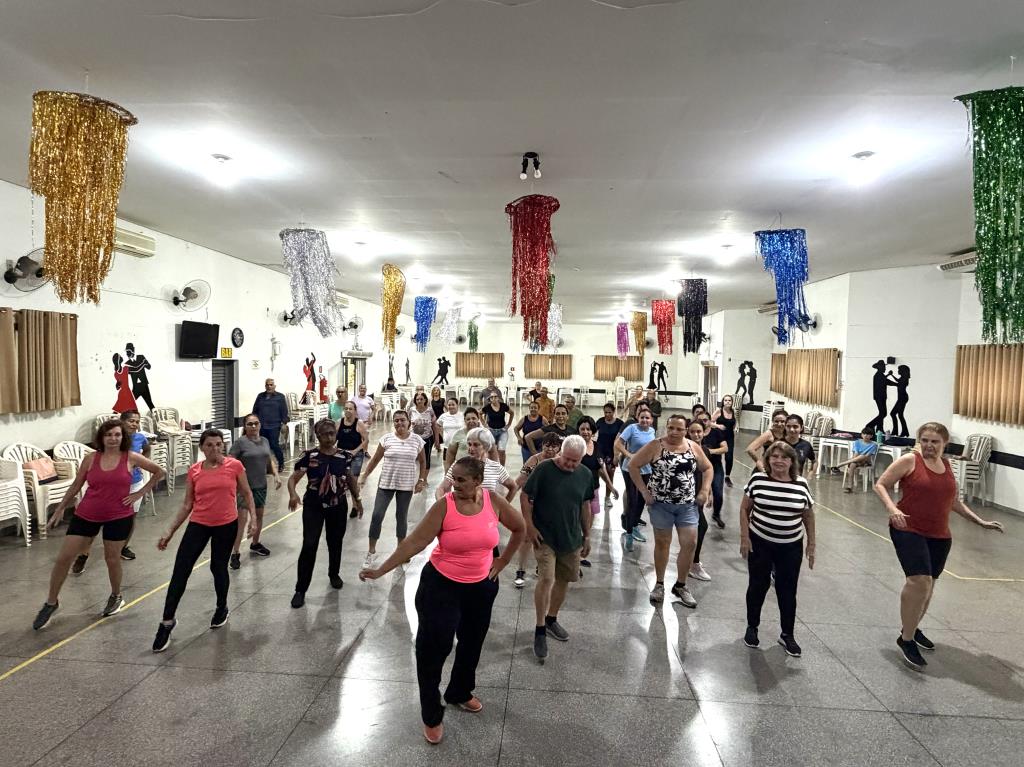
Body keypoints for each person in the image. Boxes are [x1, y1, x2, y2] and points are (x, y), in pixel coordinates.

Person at [359, 457, 524, 744]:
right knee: (433, 650)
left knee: (472, 644)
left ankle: (459, 691)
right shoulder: (444, 505)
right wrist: (381, 570)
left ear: (477, 480)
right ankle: (431, 714)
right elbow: (414, 542)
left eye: (461, 480)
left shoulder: (493, 500)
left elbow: (520, 527)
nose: (454, 485)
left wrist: (504, 560)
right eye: (453, 478)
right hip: (441, 588)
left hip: (481, 588)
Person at [874, 422, 1003, 670]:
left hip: (940, 534)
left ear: (945, 444)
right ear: (919, 441)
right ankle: (907, 639)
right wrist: (892, 509)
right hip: (908, 528)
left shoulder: (947, 466)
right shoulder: (910, 461)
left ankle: (910, 627)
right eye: (925, 440)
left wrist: (979, 521)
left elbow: (952, 501)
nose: (929, 446)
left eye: (935, 441)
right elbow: (881, 484)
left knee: (929, 585)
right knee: (919, 580)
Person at [33, 421, 164, 630]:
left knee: (111, 559)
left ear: (123, 437)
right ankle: (51, 602)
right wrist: (59, 509)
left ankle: (116, 595)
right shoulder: (90, 459)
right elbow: (76, 485)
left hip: (118, 515)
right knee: (64, 558)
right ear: (101, 438)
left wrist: (139, 493)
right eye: (109, 435)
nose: (113, 439)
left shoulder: (130, 457)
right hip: (87, 513)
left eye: (117, 435)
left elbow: (159, 472)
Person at [151, 429, 255, 652]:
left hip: (226, 525)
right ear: (202, 448)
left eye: (219, 444)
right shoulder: (195, 471)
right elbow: (187, 504)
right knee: (180, 570)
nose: (215, 449)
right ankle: (167, 621)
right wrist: (169, 531)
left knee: (218, 568)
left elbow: (246, 493)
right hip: (199, 523)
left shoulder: (234, 466)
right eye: (210, 445)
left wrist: (253, 520)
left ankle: (221, 607)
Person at [521, 435, 594, 663]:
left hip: (571, 538)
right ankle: (540, 628)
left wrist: (587, 535)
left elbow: (585, 505)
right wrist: (530, 527)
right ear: (561, 452)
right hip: (545, 536)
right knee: (547, 579)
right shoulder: (543, 469)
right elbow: (525, 496)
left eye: (575, 461)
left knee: (564, 580)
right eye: (567, 459)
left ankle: (552, 619)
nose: (570, 465)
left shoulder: (585, 474)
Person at [740, 441, 815, 657]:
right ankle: (752, 627)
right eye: (774, 456)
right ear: (767, 459)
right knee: (758, 585)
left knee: (787, 590)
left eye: (784, 457)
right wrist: (745, 538)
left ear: (792, 461)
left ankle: (787, 634)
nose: (778, 461)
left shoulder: (801, 484)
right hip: (760, 542)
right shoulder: (758, 479)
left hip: (790, 546)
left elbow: (808, 515)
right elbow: (745, 509)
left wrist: (811, 544)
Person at [630, 414, 712, 606]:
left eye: (679, 429)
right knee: (663, 543)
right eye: (671, 428)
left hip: (687, 505)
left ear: (686, 430)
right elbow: (634, 465)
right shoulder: (655, 446)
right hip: (660, 505)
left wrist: (705, 490)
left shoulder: (693, 447)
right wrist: (644, 492)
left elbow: (707, 468)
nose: (674, 432)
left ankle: (681, 585)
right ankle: (659, 584)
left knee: (690, 542)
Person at [288, 419, 363, 607]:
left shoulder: (344, 456)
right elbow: (293, 478)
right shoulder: (309, 456)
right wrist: (292, 494)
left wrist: (357, 500)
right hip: (314, 506)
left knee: (335, 541)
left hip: (338, 506)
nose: (329, 437)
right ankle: (300, 589)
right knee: (309, 544)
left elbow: (350, 478)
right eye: (325, 434)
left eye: (332, 433)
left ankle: (334, 573)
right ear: (318, 436)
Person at [360, 410, 427, 567]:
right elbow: (375, 460)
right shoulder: (386, 439)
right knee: (377, 516)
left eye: (402, 420)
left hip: (405, 485)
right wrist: (364, 475)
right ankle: (371, 552)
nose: (399, 423)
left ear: (408, 421)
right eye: (396, 421)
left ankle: (401, 550)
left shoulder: (417, 440)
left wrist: (421, 480)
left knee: (401, 517)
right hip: (386, 484)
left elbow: (423, 462)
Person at [228, 413, 281, 568]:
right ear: (245, 426)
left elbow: (269, 459)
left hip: (261, 485)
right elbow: (230, 461)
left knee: (258, 516)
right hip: (244, 488)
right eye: (250, 424)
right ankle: (235, 552)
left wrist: (276, 475)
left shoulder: (264, 441)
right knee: (242, 521)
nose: (253, 426)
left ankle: (255, 543)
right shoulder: (240, 443)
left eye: (256, 423)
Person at [512, 433, 562, 587]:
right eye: (547, 445)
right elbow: (519, 481)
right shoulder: (534, 460)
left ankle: (541, 567)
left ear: (559, 448)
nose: (550, 449)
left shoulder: (561, 462)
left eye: (554, 446)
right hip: (532, 505)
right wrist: (507, 499)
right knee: (527, 537)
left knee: (548, 538)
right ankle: (521, 570)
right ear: (542, 445)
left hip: (552, 507)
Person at [576, 417, 616, 567]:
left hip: (593, 489)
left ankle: (580, 553)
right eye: (582, 429)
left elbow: (601, 468)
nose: (585, 432)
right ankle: (573, 555)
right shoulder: (575, 446)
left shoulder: (597, 446)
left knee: (587, 524)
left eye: (588, 429)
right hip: (577, 491)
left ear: (593, 431)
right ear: (578, 430)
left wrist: (611, 486)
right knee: (575, 522)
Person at [435, 428, 516, 501]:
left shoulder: (495, 467)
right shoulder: (459, 465)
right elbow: (441, 489)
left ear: (485, 446)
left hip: (487, 514)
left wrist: (503, 508)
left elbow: (513, 487)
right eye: (469, 444)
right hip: (463, 511)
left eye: (476, 445)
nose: (471, 448)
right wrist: (443, 507)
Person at [615, 407, 656, 550]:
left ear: (651, 420)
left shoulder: (652, 431)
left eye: (647, 418)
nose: (644, 420)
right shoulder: (632, 428)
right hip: (630, 468)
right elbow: (618, 443)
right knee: (633, 498)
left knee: (643, 499)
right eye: (642, 417)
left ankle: (633, 524)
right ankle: (629, 533)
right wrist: (628, 454)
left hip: (646, 469)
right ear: (638, 418)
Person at [117, 409, 150, 562]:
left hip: (135, 483)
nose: (135, 424)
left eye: (137, 422)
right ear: (122, 421)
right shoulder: (114, 438)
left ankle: (124, 546)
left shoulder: (140, 438)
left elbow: (147, 449)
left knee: (131, 516)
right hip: (116, 485)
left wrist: (143, 461)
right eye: (131, 421)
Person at [697, 410, 728, 541]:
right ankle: (698, 516)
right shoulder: (696, 433)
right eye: (701, 420)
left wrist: (709, 451)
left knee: (718, 493)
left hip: (715, 467)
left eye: (705, 420)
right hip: (699, 468)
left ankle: (716, 514)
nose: (703, 423)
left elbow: (725, 448)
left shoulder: (717, 433)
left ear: (710, 421)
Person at [337, 400, 370, 517]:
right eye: (346, 408)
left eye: (350, 409)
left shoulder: (359, 423)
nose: (348, 411)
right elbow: (334, 440)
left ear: (355, 411)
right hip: (342, 455)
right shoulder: (339, 423)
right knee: (340, 481)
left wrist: (356, 451)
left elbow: (366, 440)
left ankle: (355, 506)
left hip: (356, 455)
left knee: (353, 481)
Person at [252, 378, 289, 472]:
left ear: (274, 386)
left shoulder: (280, 397)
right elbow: (255, 410)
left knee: (274, 445)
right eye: (267, 385)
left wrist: (284, 424)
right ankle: (265, 466)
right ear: (265, 386)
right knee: (262, 446)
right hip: (262, 426)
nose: (269, 386)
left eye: (271, 385)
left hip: (274, 425)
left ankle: (281, 463)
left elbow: (284, 412)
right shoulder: (260, 396)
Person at [595, 403, 624, 510]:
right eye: (605, 412)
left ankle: (607, 497)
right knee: (598, 471)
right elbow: (592, 432)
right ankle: (594, 495)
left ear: (614, 411)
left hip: (612, 452)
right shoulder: (600, 421)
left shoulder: (620, 423)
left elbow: (622, 440)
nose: (607, 414)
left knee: (610, 474)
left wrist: (618, 455)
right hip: (600, 450)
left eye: (609, 412)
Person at [836, 427, 879, 493]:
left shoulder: (873, 445)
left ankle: (842, 463)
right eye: (864, 434)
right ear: (861, 435)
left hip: (865, 461)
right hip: (855, 460)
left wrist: (856, 459)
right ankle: (850, 487)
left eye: (868, 434)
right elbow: (855, 454)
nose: (865, 436)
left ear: (871, 436)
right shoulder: (857, 442)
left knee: (862, 456)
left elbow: (867, 456)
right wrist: (855, 460)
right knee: (852, 465)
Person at [410, 391, 441, 470]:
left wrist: (437, 440)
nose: (419, 401)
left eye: (421, 399)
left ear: (425, 400)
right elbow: (407, 424)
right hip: (414, 439)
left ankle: (424, 479)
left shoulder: (429, 411)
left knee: (426, 459)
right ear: (415, 401)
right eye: (417, 399)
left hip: (427, 438)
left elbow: (434, 426)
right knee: (413, 458)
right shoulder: (411, 410)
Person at [711, 395, 738, 487]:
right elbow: (709, 422)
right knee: (716, 456)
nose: (727, 402)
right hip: (719, 436)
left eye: (729, 400)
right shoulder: (719, 411)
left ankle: (727, 477)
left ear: (732, 402)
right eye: (725, 400)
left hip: (730, 437)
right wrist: (718, 426)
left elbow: (734, 424)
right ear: (723, 402)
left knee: (729, 457)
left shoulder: (733, 412)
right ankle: (713, 473)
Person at [482, 392, 514, 465]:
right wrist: (484, 424)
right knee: (491, 450)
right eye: (492, 397)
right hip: (491, 431)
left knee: (501, 450)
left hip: (502, 431)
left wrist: (508, 424)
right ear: (490, 399)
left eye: (495, 396)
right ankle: (492, 467)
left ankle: (502, 468)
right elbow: (480, 413)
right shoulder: (487, 407)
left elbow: (512, 413)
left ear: (498, 398)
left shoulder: (503, 406)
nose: (494, 398)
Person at [124, 342, 155, 411]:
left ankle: (157, 419)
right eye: (126, 352)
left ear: (133, 351)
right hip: (136, 387)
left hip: (144, 385)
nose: (127, 354)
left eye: (129, 351)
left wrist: (145, 363)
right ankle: (118, 419)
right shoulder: (127, 364)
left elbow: (149, 367)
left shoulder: (141, 357)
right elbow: (135, 369)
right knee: (128, 404)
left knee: (150, 404)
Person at [513, 400, 546, 464]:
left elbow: (549, 430)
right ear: (529, 408)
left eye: (535, 408)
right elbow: (516, 428)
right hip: (526, 447)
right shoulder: (524, 419)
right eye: (531, 408)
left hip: (539, 448)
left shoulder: (542, 419)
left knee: (538, 465)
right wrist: (519, 438)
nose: (533, 409)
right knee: (526, 465)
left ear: (538, 409)